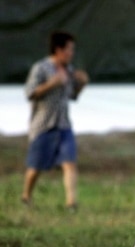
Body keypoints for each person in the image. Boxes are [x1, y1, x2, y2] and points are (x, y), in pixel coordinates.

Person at [21, 31, 89, 212]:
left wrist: (81, 84)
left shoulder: (70, 70)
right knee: (36, 166)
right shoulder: (41, 68)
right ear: (58, 49)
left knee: (69, 162)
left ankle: (71, 203)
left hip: (64, 124)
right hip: (43, 125)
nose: (71, 53)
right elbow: (30, 93)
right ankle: (26, 196)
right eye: (69, 49)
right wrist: (51, 83)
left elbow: (73, 96)